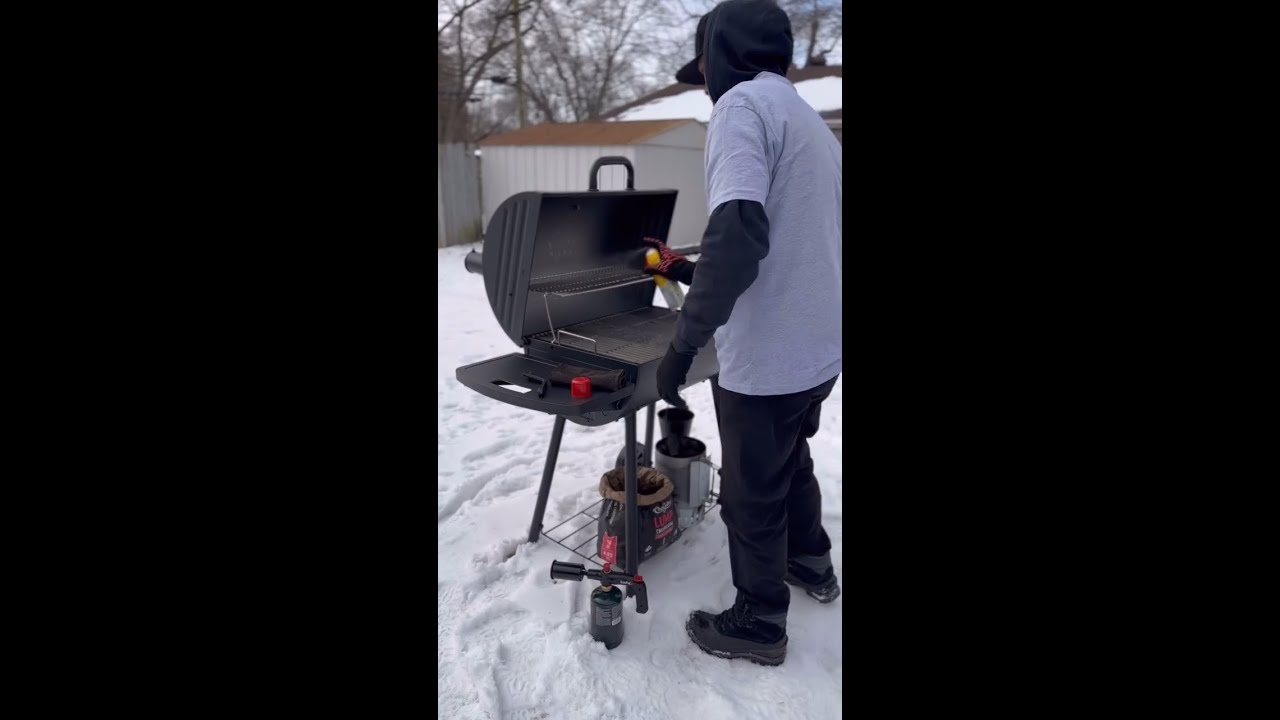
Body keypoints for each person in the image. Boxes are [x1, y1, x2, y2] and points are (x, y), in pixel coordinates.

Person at [644, 0, 842, 666]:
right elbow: (780, 236)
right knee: (790, 459)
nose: (704, 81)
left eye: (703, 66)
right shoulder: (808, 122)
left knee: (752, 493)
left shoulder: (740, 108)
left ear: (723, 52)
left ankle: (759, 622)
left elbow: (739, 232)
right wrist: (685, 270)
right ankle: (810, 559)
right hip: (818, 346)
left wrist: (683, 344)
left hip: (770, 353)